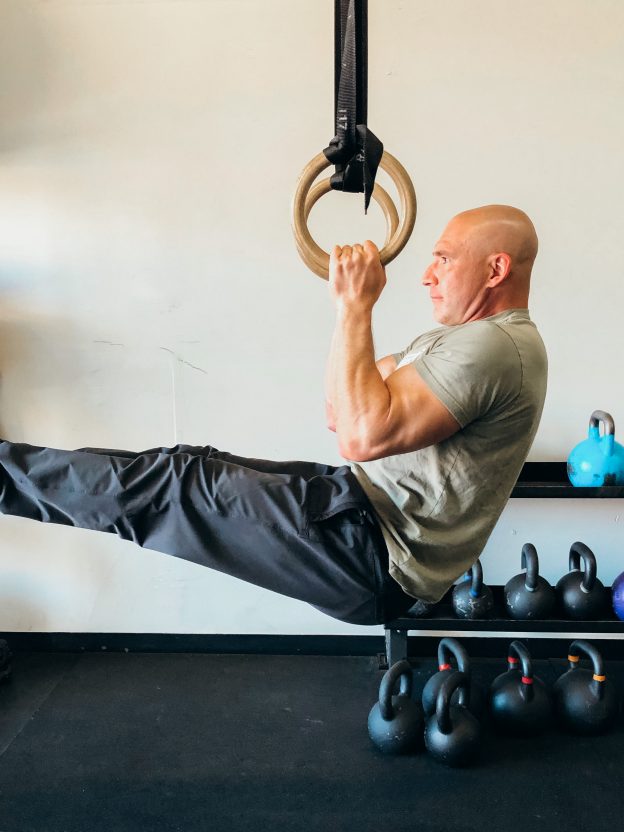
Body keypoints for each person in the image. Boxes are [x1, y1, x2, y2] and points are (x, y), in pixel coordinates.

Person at [0, 204, 547, 626]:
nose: (427, 275)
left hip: (370, 551)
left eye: (444, 258)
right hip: (355, 506)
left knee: (173, 485)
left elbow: (358, 434)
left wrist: (354, 307)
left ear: (495, 269)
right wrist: (350, 317)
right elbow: (340, 409)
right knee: (185, 464)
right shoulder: (454, 340)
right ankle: (12, 473)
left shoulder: (492, 347)